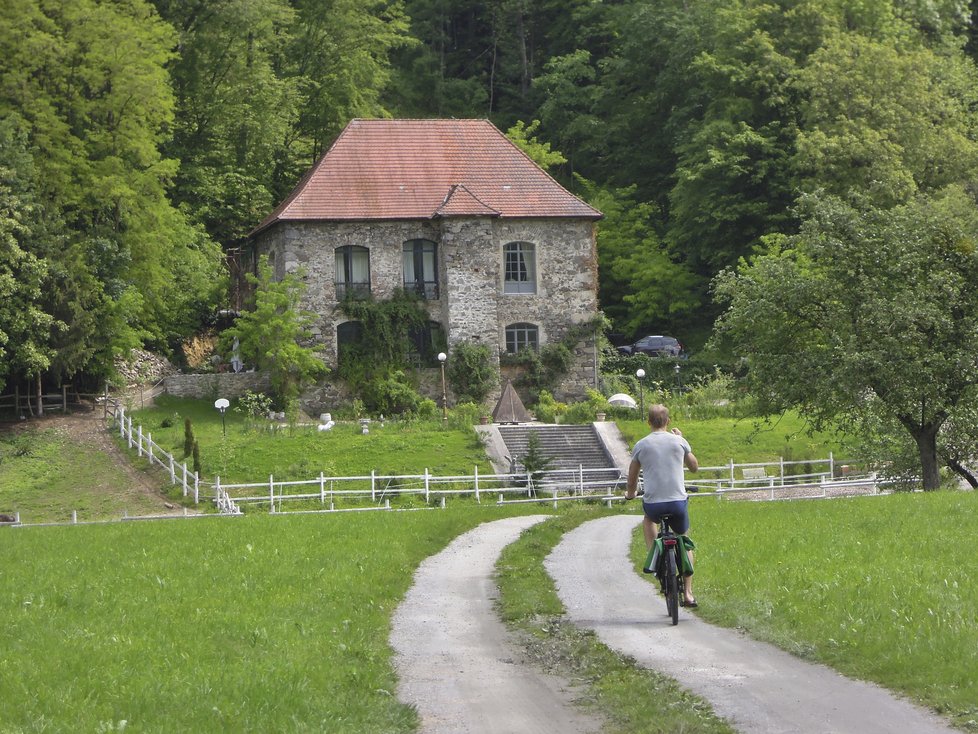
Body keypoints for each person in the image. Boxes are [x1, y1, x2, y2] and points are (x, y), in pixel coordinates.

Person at [625, 403, 699, 607]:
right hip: (677, 503)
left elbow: (632, 477)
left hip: (654, 504)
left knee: (649, 519)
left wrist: (630, 494)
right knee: (683, 539)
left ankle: (655, 556)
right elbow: (694, 467)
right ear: (668, 421)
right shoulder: (678, 441)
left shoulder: (641, 445)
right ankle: (688, 594)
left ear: (648, 422)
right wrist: (682, 440)